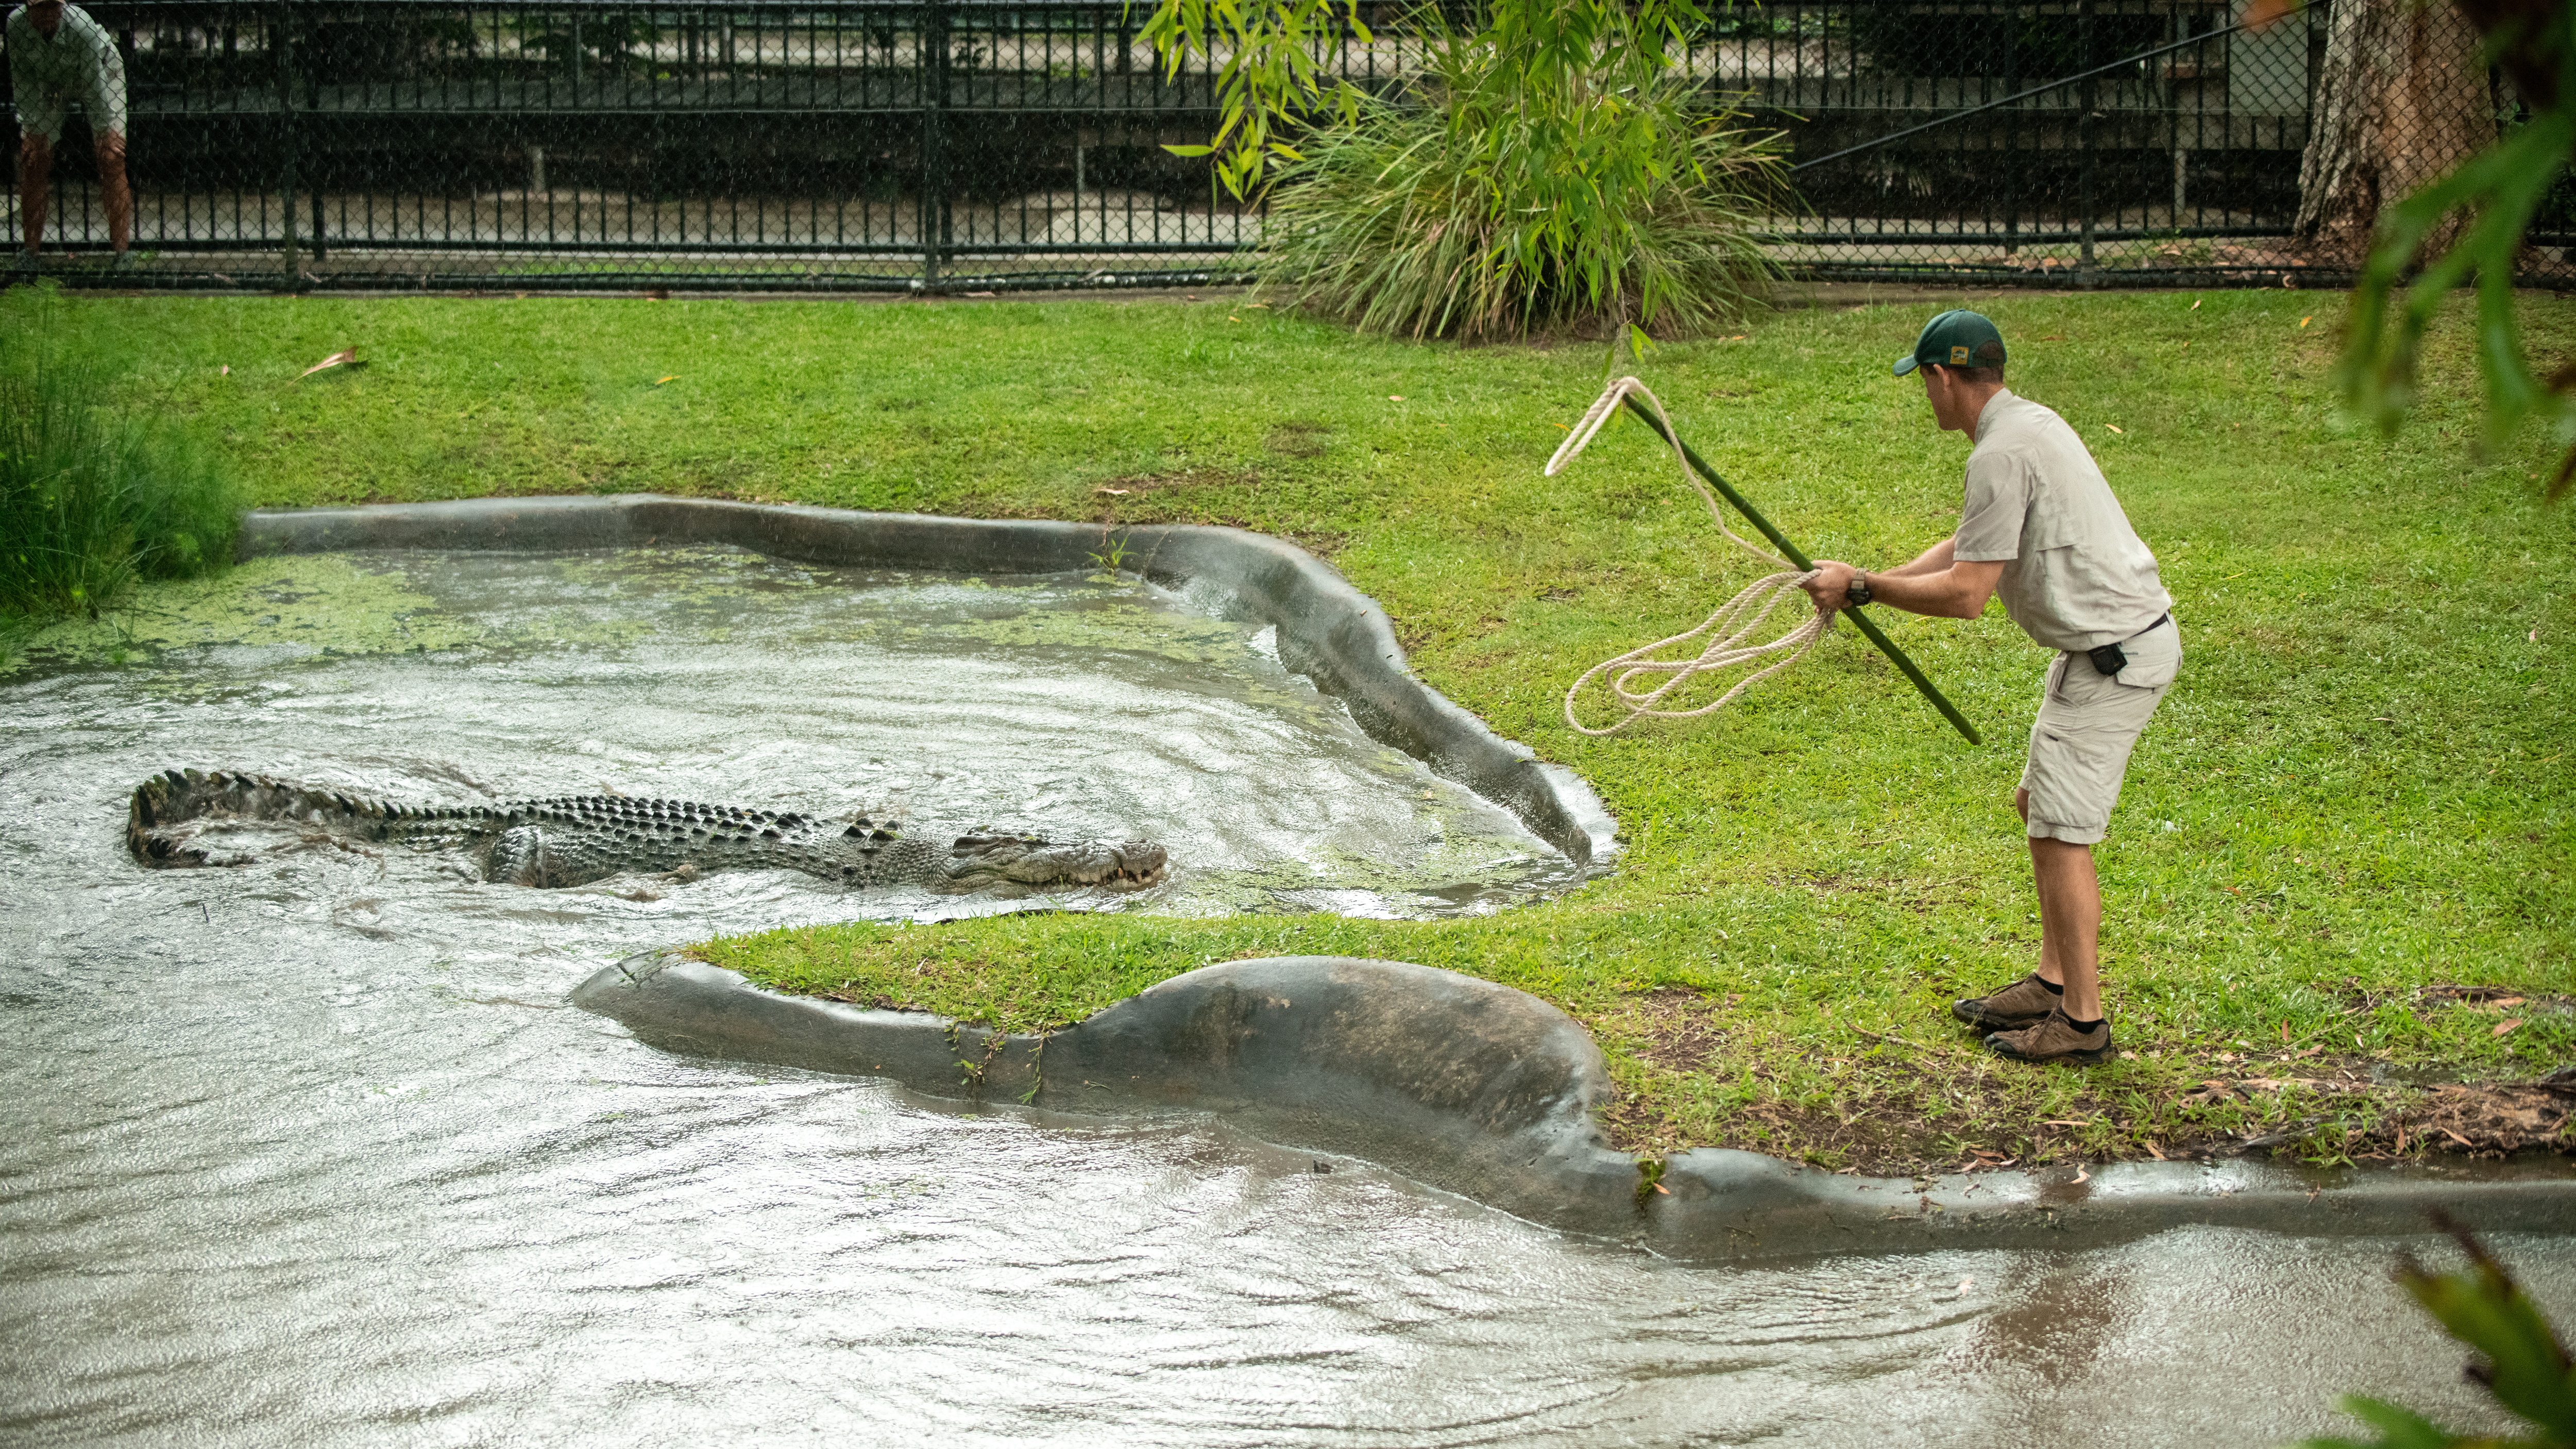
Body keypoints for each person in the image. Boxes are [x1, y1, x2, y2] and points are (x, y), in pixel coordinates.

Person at [1800, 310, 2178, 1066]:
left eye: (1924, 382)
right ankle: (2052, 981)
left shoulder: (2000, 452)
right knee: (2039, 806)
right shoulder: (2028, 426)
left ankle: (2082, 1024)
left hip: (2114, 658)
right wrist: (1870, 579)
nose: (1926, 397)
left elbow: (1968, 593)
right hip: (2105, 651)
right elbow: (1972, 542)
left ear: (1942, 376)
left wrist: (1866, 588)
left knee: (2060, 832)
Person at [7, 0, 130, 271]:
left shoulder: (81, 27)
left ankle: (123, 254)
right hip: (48, 83)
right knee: (34, 159)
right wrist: (32, 128)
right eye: (41, 8)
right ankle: (30, 253)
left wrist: (106, 132)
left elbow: (95, 83)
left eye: (53, 7)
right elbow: (22, 80)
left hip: (101, 72)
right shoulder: (15, 26)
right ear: (28, 8)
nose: (48, 14)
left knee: (111, 158)